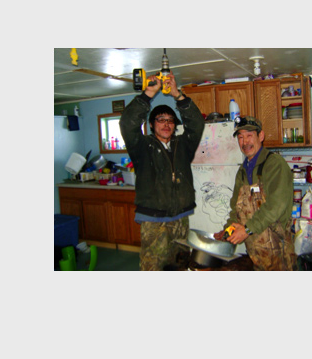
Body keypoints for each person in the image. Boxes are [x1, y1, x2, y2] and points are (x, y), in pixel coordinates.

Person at [120, 74, 204, 271]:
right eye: (160, 120)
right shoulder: (141, 146)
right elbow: (127, 124)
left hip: (181, 217)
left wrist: (177, 95)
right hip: (153, 220)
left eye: (170, 120)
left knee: (180, 266)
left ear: (175, 125)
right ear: (151, 124)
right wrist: (149, 93)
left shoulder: (183, 145)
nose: (166, 124)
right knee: (154, 268)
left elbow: (197, 124)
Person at [214, 116, 296, 270]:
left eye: (249, 136)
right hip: (255, 252)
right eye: (240, 137)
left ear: (261, 136)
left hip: (278, 252)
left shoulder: (275, 164)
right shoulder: (242, 171)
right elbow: (236, 209)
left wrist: (246, 230)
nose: (245, 142)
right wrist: (228, 230)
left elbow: (275, 206)